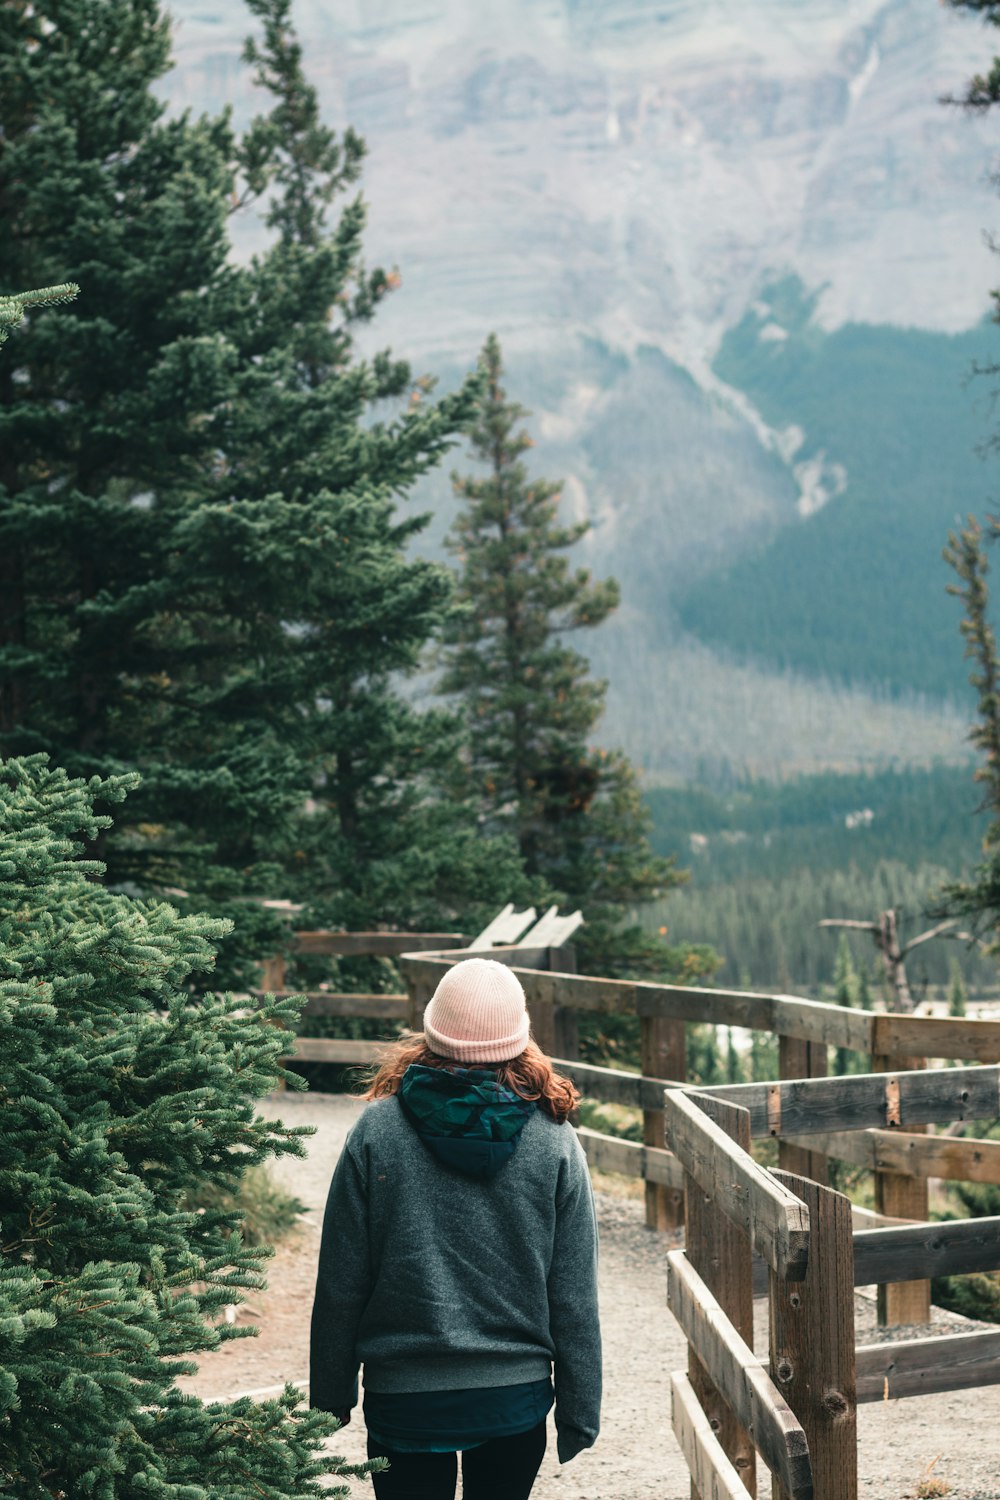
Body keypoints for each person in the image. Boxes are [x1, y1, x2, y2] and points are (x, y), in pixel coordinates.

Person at [309, 956, 602, 1500]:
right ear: (520, 1038)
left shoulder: (377, 1132)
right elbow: (574, 1292)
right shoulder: (555, 1140)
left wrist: (330, 1396)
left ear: (431, 1033)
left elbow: (342, 1279)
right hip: (513, 1396)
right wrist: (580, 1411)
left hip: (405, 1399)